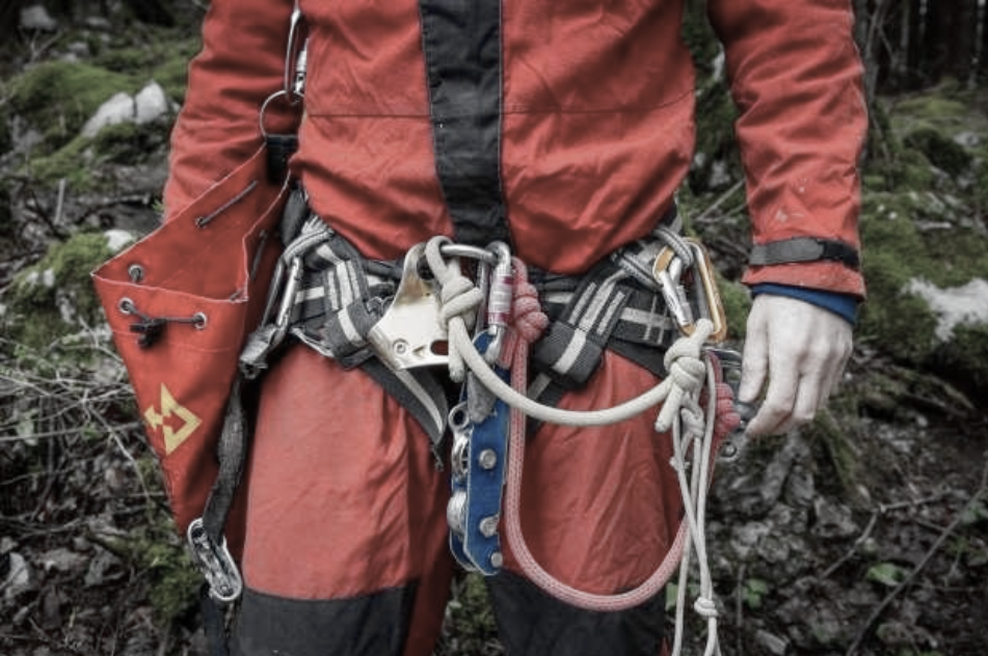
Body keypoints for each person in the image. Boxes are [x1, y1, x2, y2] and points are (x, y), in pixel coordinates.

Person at [161, 1, 865, 654]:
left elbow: (788, 26)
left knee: (594, 636)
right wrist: (185, 290)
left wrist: (809, 255)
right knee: (304, 632)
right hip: (349, 302)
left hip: (599, 303)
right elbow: (243, 67)